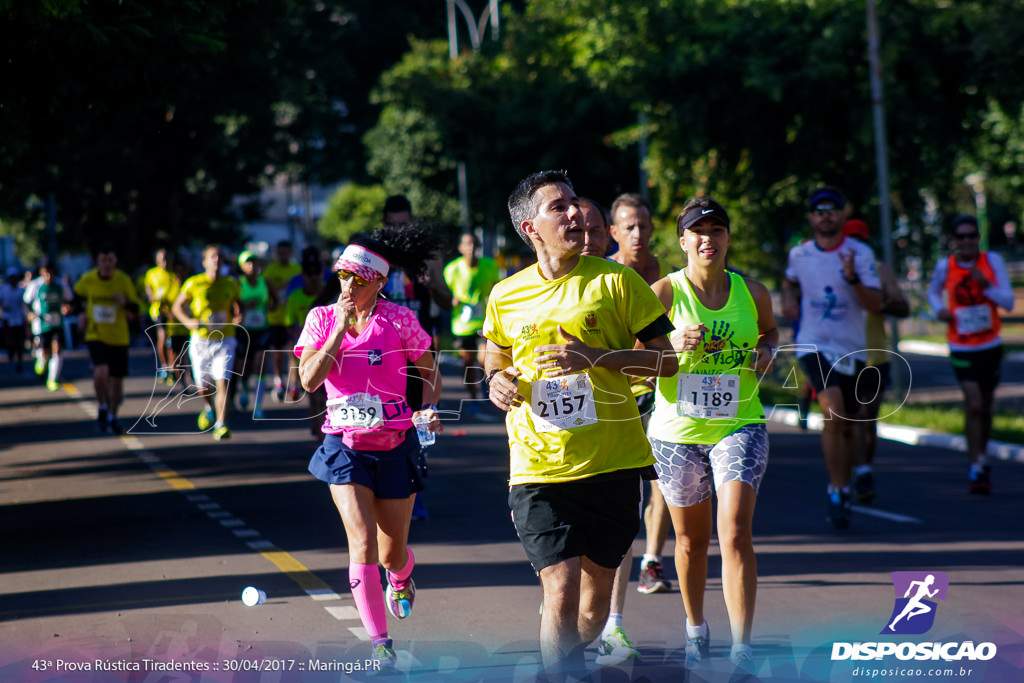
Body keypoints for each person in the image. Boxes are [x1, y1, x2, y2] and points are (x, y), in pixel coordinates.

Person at [482, 170, 678, 677]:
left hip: (612, 461)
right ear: (530, 228)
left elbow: (668, 362)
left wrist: (595, 357)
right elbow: (494, 353)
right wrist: (496, 379)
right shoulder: (506, 294)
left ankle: (568, 643)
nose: (574, 213)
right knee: (560, 588)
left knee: (590, 612)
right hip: (538, 468)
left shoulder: (617, 281)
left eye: (573, 202)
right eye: (558, 206)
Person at [294, 228, 443, 671]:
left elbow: (430, 373)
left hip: (395, 442)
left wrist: (429, 409)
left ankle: (400, 576)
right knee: (360, 542)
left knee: (389, 554)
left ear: (380, 282)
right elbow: (308, 380)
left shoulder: (400, 320)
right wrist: (338, 331)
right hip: (344, 445)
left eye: (359, 280)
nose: (348, 287)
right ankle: (380, 642)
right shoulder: (322, 318)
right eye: (343, 278)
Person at [646, 197, 776, 671]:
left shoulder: (753, 292)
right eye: (698, 232)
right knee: (689, 542)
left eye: (717, 230)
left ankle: (743, 647)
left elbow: (769, 332)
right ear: (682, 242)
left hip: (739, 422)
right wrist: (671, 345)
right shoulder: (663, 293)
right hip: (677, 431)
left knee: (736, 532)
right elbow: (636, 357)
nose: (708, 239)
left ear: (727, 239)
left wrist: (767, 352)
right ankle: (696, 628)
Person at [781, 186, 882, 529]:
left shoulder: (861, 253)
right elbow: (789, 282)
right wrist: (788, 301)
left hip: (852, 348)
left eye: (832, 209)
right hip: (813, 344)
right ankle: (836, 490)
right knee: (833, 411)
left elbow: (874, 305)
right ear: (811, 218)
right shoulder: (800, 255)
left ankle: (846, 482)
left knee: (849, 424)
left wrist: (852, 277)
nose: (825, 215)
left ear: (842, 215)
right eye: (819, 210)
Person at [608, 192, 673, 595]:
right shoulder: (603, 275)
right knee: (623, 489)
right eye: (628, 226)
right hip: (617, 392)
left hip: (660, 388)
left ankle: (651, 560)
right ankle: (613, 561)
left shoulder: (665, 277)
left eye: (643, 226)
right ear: (614, 232)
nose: (637, 233)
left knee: (662, 479)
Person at [926, 214, 1015, 495]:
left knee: (986, 406)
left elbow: (1009, 302)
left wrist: (986, 285)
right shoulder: (946, 266)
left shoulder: (993, 262)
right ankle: (975, 465)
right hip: (960, 344)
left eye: (971, 236)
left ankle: (982, 458)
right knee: (974, 403)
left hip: (989, 344)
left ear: (978, 238)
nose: (966, 241)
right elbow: (932, 293)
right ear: (953, 241)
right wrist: (938, 310)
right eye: (961, 236)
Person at [842, 219, 910, 503]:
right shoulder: (831, 271)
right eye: (851, 241)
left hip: (875, 356)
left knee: (868, 420)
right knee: (848, 421)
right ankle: (851, 475)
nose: (857, 247)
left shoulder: (881, 271)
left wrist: (881, 302)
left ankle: (863, 470)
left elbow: (903, 307)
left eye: (861, 241)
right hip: (842, 356)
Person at [171, 245, 242, 441]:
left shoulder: (230, 283)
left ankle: (220, 424)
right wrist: (188, 321)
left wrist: (238, 314)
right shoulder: (194, 283)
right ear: (204, 262)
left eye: (219, 257)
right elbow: (177, 306)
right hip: (201, 340)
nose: (216, 260)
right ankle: (208, 407)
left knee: (222, 381)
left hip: (225, 339)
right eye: (212, 257)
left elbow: (238, 303)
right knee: (203, 384)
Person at [73, 244, 143, 434]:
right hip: (96, 334)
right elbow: (75, 296)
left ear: (115, 261)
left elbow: (137, 309)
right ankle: (102, 405)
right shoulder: (88, 280)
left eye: (110, 261)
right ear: (98, 262)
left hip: (119, 337)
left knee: (117, 381)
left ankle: (112, 415)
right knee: (101, 371)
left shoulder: (123, 280)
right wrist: (80, 312)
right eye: (103, 261)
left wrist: (125, 303)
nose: (106, 265)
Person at [442, 233, 500, 408]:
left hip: (483, 321)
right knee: (468, 362)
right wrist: (451, 299)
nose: (471, 248)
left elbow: (497, 289)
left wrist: (491, 298)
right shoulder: (452, 269)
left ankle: (485, 390)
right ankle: (473, 396)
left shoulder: (489, 266)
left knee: (483, 359)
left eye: (474, 244)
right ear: (460, 248)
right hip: (462, 324)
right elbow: (444, 292)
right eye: (467, 244)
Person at [287, 249, 325, 440]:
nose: (313, 277)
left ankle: (326, 428)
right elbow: (289, 325)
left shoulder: (330, 293)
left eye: (316, 273)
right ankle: (318, 432)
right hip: (308, 353)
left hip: (330, 352)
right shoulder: (295, 297)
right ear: (303, 276)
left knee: (327, 397)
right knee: (314, 394)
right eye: (309, 274)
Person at [234, 250, 274, 419]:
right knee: (244, 367)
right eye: (248, 263)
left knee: (260, 363)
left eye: (254, 262)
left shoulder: (265, 282)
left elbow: (276, 302)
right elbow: (231, 306)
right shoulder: (237, 283)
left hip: (262, 329)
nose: (252, 266)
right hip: (243, 330)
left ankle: (258, 407)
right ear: (242, 266)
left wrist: (269, 308)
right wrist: (242, 309)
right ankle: (243, 387)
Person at [263, 240, 301, 402]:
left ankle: (294, 384)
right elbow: (265, 292)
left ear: (291, 253)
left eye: (286, 252)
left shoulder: (297, 270)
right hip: (276, 318)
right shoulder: (270, 271)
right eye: (281, 252)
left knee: (294, 352)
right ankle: (279, 381)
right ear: (277, 253)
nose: (284, 255)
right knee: (278, 352)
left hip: (293, 318)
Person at [25, 261, 72, 391]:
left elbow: (70, 300)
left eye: (51, 274)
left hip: (57, 323)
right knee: (45, 352)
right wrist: (31, 314)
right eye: (46, 274)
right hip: (41, 325)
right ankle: (42, 360)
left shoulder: (61, 284)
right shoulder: (35, 285)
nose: (49, 277)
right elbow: (27, 302)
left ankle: (52, 379)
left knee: (57, 349)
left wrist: (67, 308)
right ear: (41, 273)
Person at [144, 249, 174, 384]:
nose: (165, 263)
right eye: (162, 260)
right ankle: (164, 365)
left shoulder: (173, 275)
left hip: (172, 312)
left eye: (167, 259)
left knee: (171, 340)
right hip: (158, 311)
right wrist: (152, 297)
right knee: (162, 336)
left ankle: (172, 367)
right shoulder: (152, 274)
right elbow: (148, 288)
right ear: (157, 261)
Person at [1, 267, 28, 375]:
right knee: (9, 340)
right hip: (8, 318)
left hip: (19, 318)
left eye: (15, 278)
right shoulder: (3, 290)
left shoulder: (21, 290)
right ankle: (11, 352)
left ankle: (19, 361)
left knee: (20, 342)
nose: (13, 280)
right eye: (11, 278)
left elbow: (26, 303)